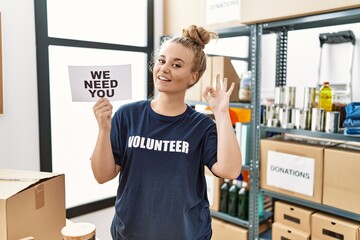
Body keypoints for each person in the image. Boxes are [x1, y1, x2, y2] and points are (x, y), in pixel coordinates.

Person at [91, 25, 242, 240]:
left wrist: (222, 113)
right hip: (130, 234)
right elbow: (102, 175)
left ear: (193, 77)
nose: (164, 68)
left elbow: (230, 170)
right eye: (161, 61)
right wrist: (104, 128)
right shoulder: (128, 115)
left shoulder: (201, 126)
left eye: (176, 65)